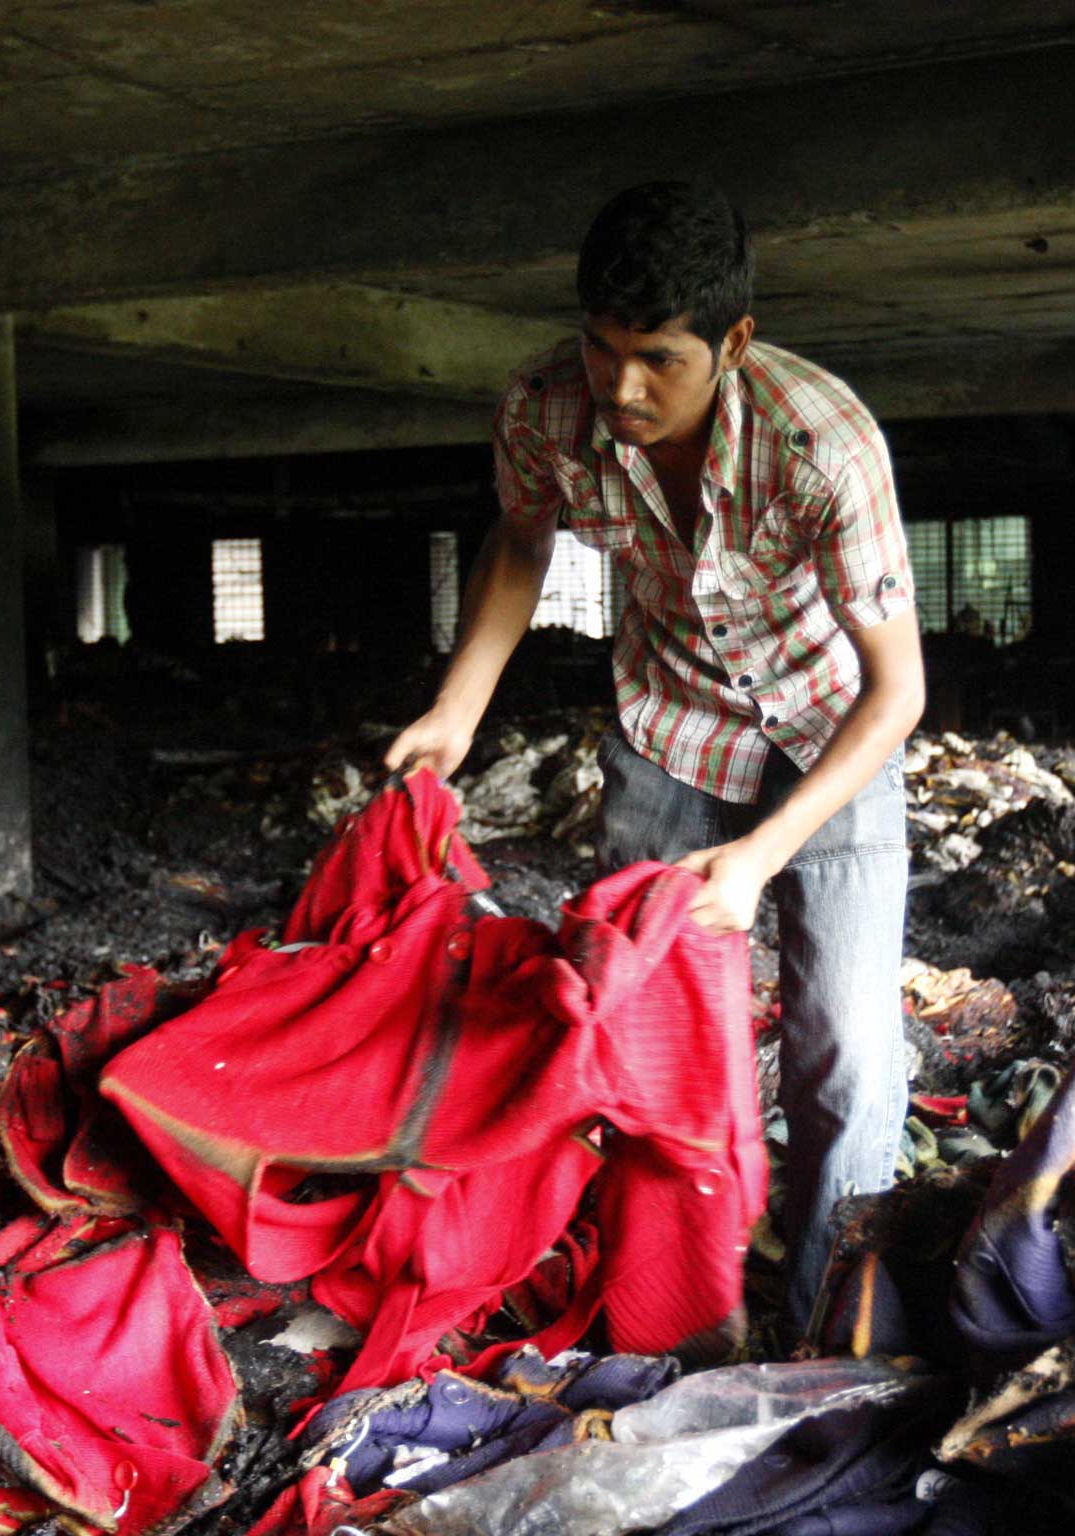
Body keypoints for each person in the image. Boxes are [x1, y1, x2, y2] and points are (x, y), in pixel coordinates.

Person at [386, 181, 924, 1330]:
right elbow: (520, 540)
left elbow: (896, 692)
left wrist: (765, 856)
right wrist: (458, 707)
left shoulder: (820, 444)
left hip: (831, 738)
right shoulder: (542, 409)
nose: (621, 390)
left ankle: (831, 1308)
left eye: (660, 362)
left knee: (846, 1048)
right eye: (602, 350)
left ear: (732, 342)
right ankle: (673, 1298)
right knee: (636, 1021)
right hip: (667, 730)